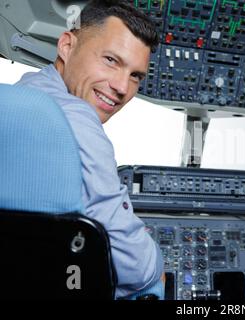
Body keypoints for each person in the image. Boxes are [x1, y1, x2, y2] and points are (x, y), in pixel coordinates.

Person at [15, 0, 164, 299]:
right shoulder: (76, 117)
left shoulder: (24, 92)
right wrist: (157, 268)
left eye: (136, 75)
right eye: (111, 60)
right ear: (67, 46)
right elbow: (135, 268)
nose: (123, 87)